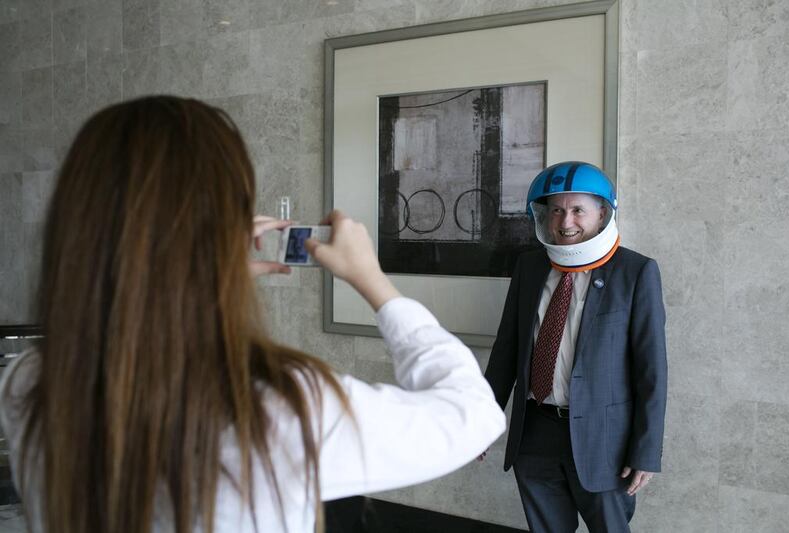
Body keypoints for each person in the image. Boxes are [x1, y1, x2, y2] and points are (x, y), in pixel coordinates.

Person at [0, 96, 506, 533]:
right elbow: (473, 416)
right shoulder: (277, 406)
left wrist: (206, 275)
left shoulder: (29, 383)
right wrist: (373, 283)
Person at [482, 161, 667, 532]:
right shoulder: (530, 267)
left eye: (578, 210)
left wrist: (645, 450)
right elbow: (506, 352)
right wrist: (477, 422)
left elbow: (652, 370)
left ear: (602, 213)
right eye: (556, 210)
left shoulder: (636, 272)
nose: (566, 222)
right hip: (534, 433)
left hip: (605, 442)